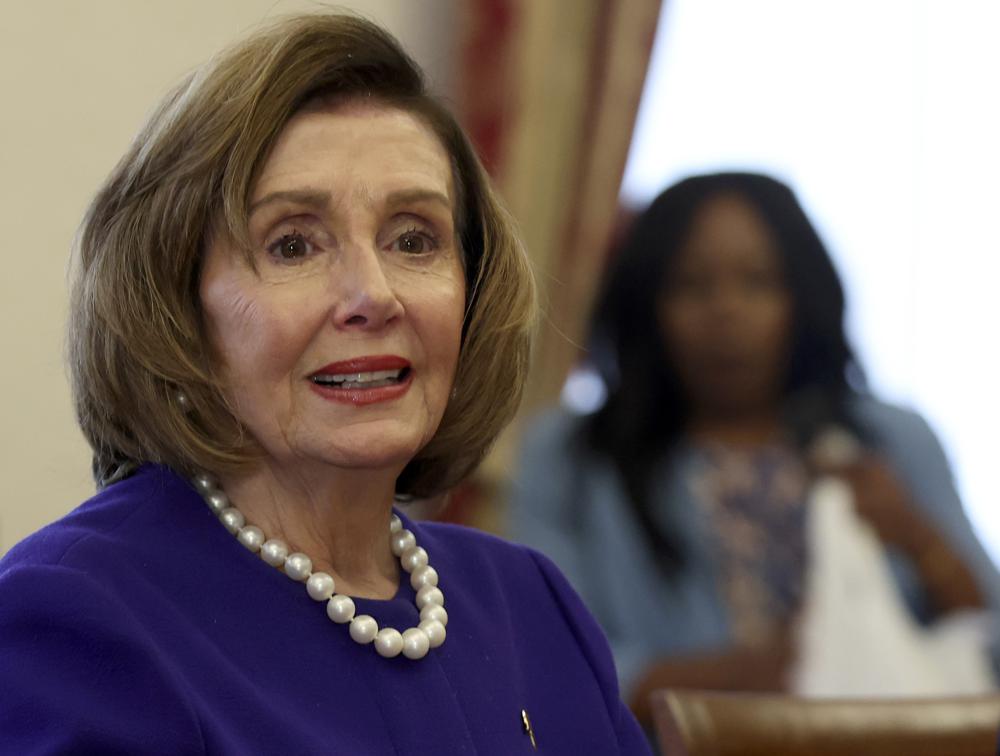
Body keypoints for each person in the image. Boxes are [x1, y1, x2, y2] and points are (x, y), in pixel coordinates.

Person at [0, 14, 651, 754]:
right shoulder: (79, 617)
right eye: (293, 244)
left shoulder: (532, 606)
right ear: (179, 310)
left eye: (413, 239)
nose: (373, 294)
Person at [511, 171, 1000, 726]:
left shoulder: (890, 440)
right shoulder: (571, 457)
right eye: (691, 285)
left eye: (759, 282)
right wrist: (764, 671)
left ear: (802, 296)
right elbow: (554, 661)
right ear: (647, 305)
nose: (728, 311)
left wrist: (915, 536)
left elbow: (990, 636)